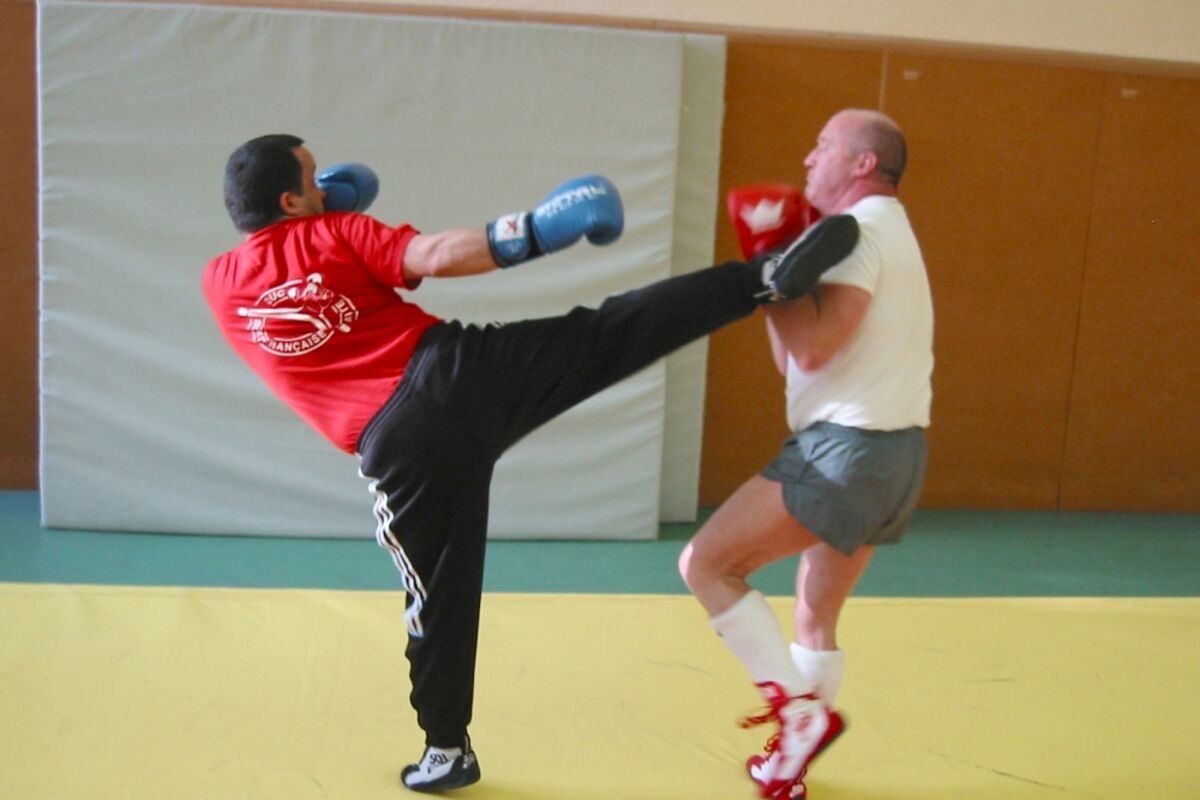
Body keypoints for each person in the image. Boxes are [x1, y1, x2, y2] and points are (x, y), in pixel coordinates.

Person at [202, 133, 860, 793]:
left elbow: (295, 285)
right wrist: (538, 230)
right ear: (291, 200)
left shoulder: (220, 283)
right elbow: (435, 254)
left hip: (400, 447)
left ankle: (445, 750)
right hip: (458, 375)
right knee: (607, 333)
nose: (324, 185)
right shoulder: (336, 233)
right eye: (312, 177)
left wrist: (316, 216)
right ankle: (762, 278)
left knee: (436, 599)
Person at [678, 108, 933, 800]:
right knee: (814, 616)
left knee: (706, 564)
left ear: (863, 163)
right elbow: (796, 358)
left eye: (824, 146)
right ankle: (789, 769)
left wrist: (770, 263)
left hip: (846, 452)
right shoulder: (884, 230)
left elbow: (814, 347)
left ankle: (799, 715)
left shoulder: (856, 232)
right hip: (899, 458)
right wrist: (778, 273)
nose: (808, 157)